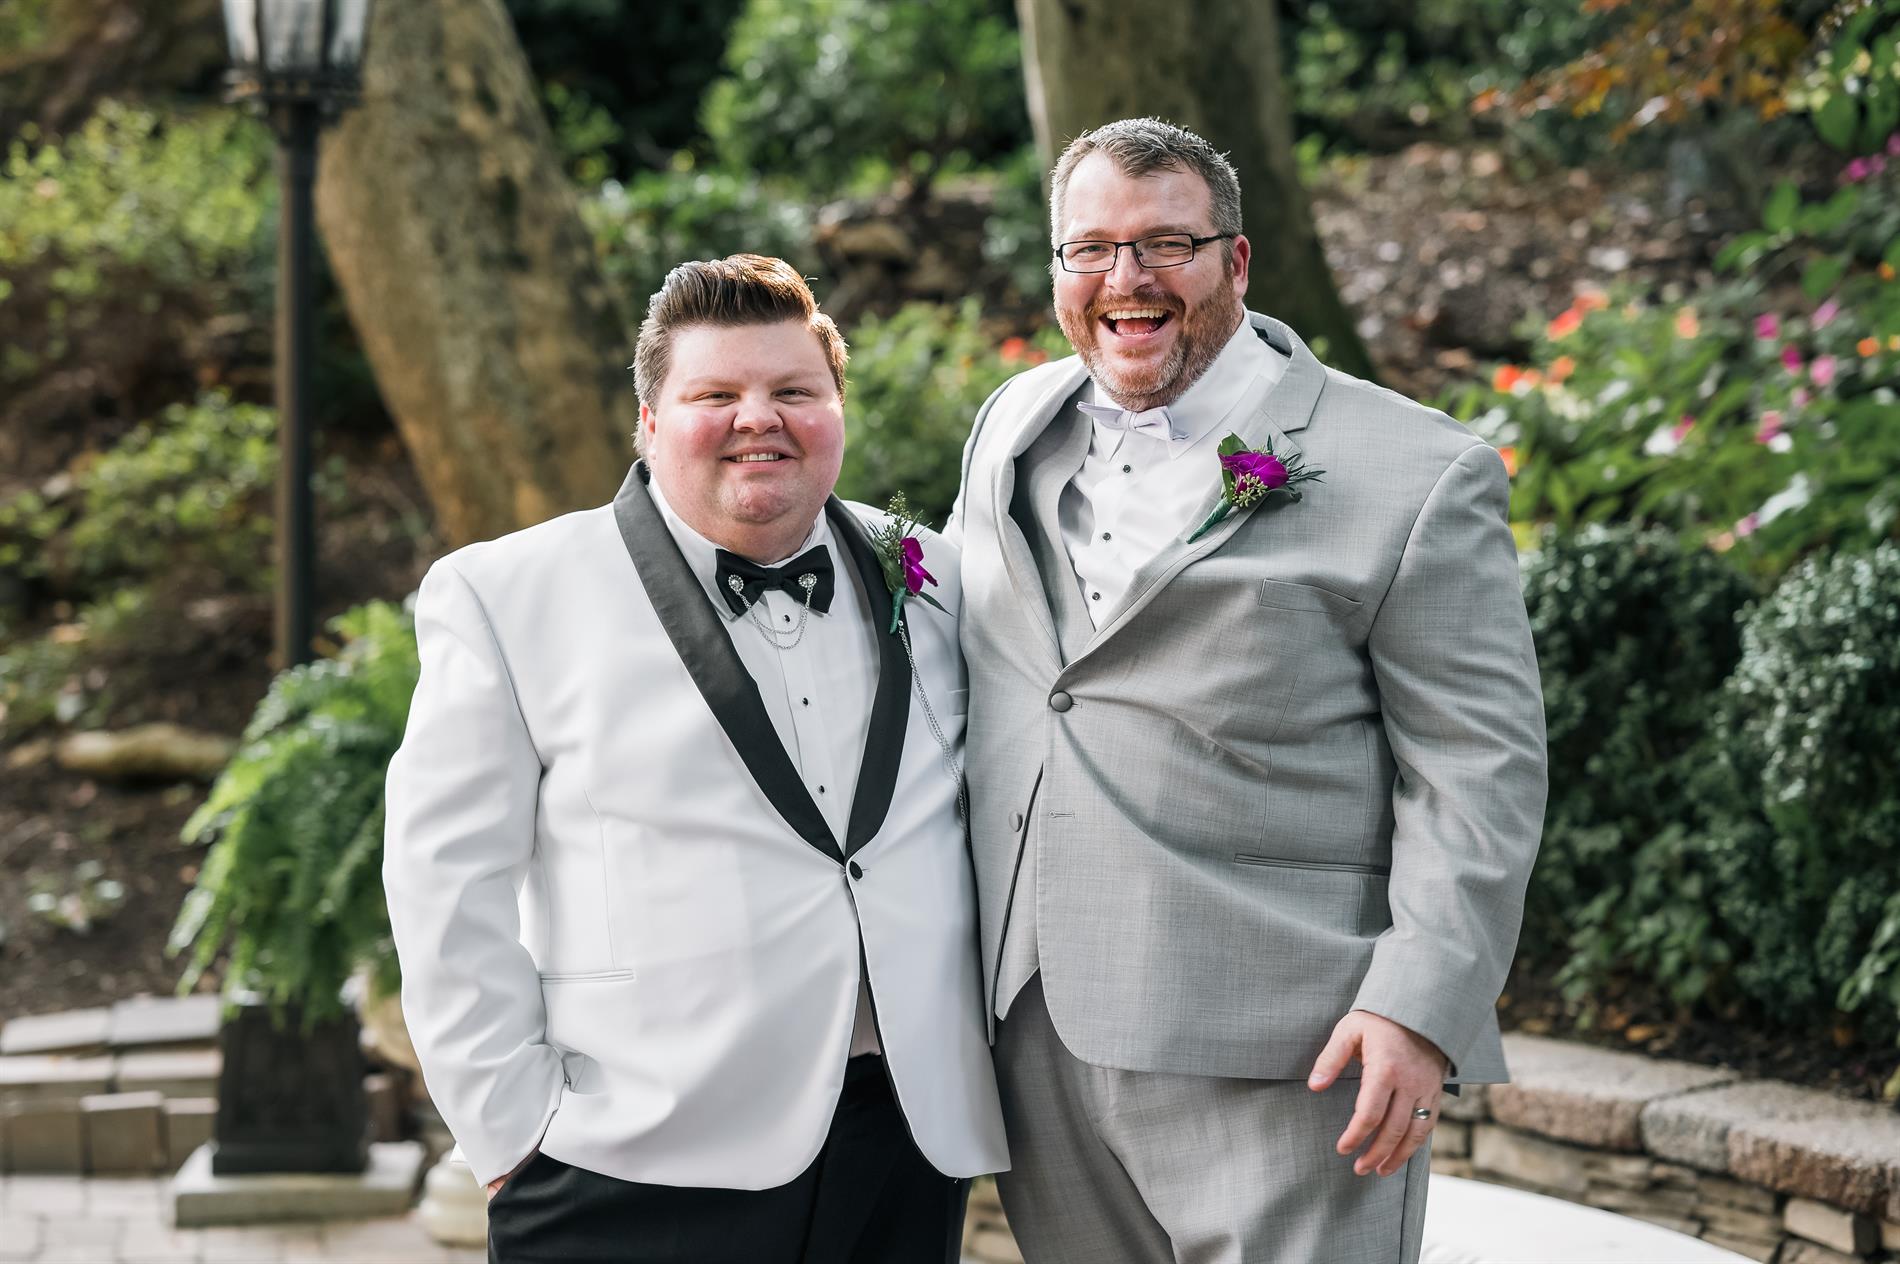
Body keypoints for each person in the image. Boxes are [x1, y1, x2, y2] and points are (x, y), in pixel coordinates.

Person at [948, 118, 1547, 1263]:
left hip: (1292, 1042)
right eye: (1090, 249)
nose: (1125, 278)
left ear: (1235, 258)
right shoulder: (1011, 425)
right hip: (1033, 1020)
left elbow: (1480, 771)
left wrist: (1419, 1004)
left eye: (1166, 244)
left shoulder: (1418, 472)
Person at [384, 254, 1006, 1264]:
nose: (759, 417)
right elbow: (444, 882)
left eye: (794, 391)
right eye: (715, 395)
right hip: (634, 1154)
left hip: (902, 1144)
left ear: (835, 410)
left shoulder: (935, 575)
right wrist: (510, 1131)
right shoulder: (506, 596)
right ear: (648, 421)